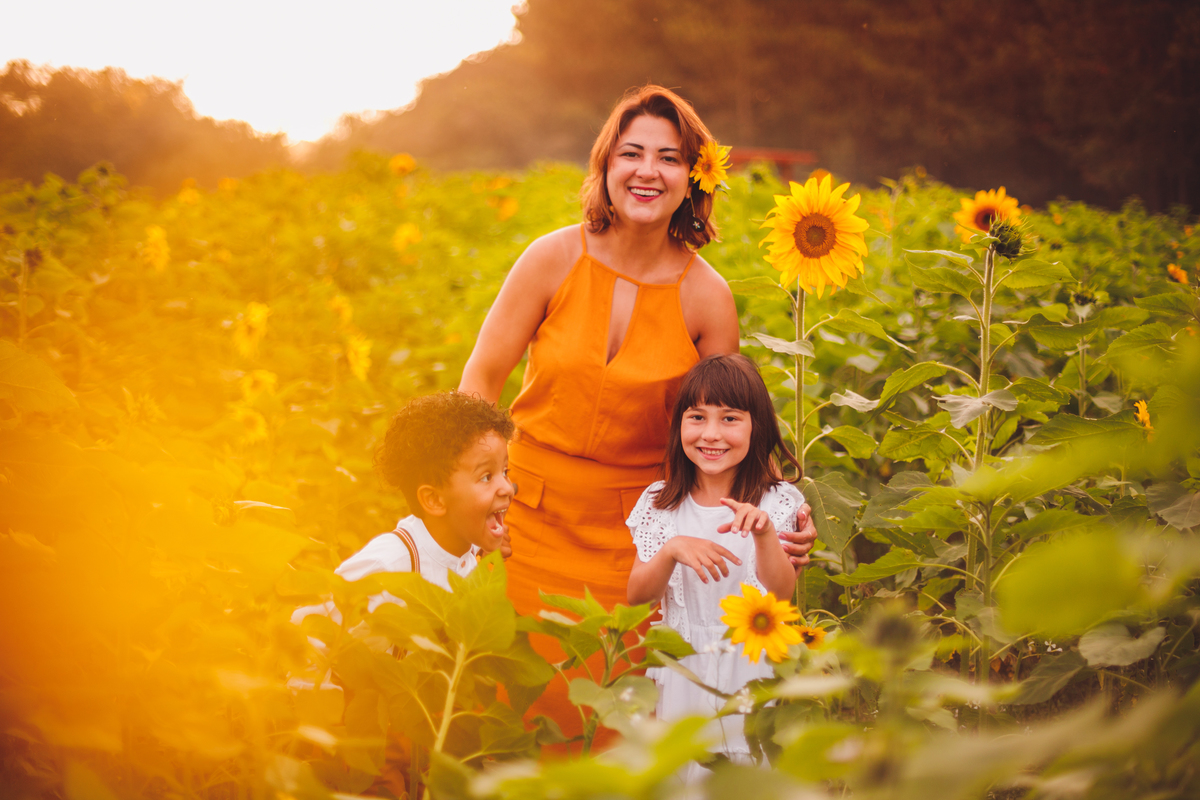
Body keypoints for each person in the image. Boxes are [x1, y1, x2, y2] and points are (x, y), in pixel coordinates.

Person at [457, 85, 817, 740]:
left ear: (693, 178)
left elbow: (725, 428)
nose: (647, 171)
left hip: (639, 541)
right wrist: (479, 495)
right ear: (606, 165)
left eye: (669, 158)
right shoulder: (550, 257)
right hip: (523, 521)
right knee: (505, 710)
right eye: (631, 153)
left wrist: (780, 508)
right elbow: (481, 378)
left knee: (614, 724)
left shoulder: (708, 296)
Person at [626, 354, 802, 781]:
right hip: (683, 671)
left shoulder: (777, 501)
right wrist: (670, 550)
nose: (711, 434)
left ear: (757, 426)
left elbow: (781, 594)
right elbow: (637, 596)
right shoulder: (660, 503)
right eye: (697, 417)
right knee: (683, 771)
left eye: (730, 419)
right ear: (678, 426)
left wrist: (764, 533)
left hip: (751, 667)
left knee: (746, 772)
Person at [291, 391, 515, 641]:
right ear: (434, 500)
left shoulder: (465, 549)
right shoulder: (386, 569)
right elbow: (311, 639)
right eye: (486, 477)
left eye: (505, 471)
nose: (507, 488)